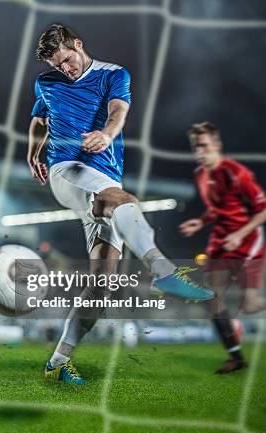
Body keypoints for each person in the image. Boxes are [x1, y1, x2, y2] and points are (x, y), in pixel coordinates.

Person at [27, 24, 214, 385]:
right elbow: (38, 118)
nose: (65, 69)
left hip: (104, 177)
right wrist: (33, 149)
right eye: (57, 66)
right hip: (68, 169)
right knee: (123, 201)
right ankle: (163, 273)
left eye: (66, 60)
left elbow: (118, 110)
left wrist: (107, 134)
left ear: (77, 45)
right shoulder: (46, 83)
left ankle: (57, 363)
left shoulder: (114, 74)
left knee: (102, 286)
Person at [179, 121, 266, 374]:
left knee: (249, 305)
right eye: (196, 147)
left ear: (217, 145)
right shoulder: (200, 175)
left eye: (204, 146)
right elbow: (218, 208)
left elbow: (262, 210)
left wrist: (239, 234)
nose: (200, 152)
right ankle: (236, 357)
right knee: (211, 298)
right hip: (220, 239)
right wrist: (200, 222)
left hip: (247, 239)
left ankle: (240, 326)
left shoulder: (236, 172)